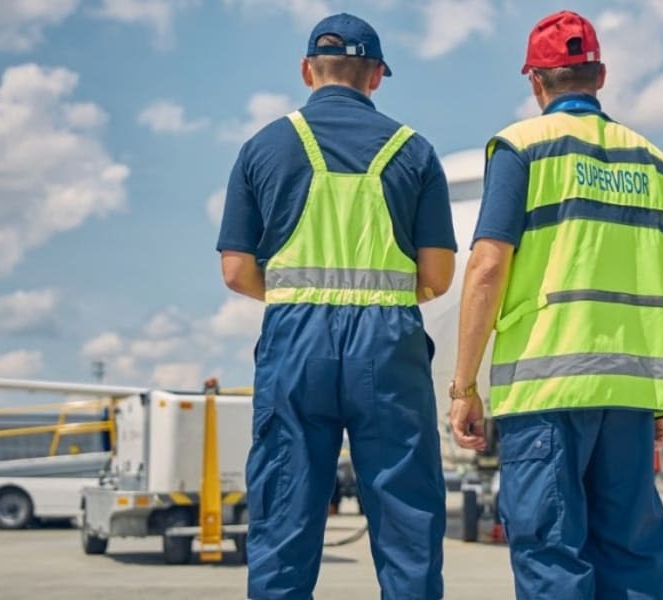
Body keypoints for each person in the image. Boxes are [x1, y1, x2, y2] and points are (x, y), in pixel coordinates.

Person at [448, 10, 663, 598]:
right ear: (600, 76)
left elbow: (487, 267)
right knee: (632, 559)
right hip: (630, 396)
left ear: (535, 81)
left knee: (552, 554)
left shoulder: (521, 148)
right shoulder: (653, 161)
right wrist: (660, 390)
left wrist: (464, 386)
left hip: (546, 392)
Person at [216, 13, 456, 599]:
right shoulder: (414, 151)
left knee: (285, 507)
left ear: (307, 71)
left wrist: (298, 294)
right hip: (388, 343)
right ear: (375, 76)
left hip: (296, 341)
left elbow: (236, 271)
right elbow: (439, 275)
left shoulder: (263, 147)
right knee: (406, 514)